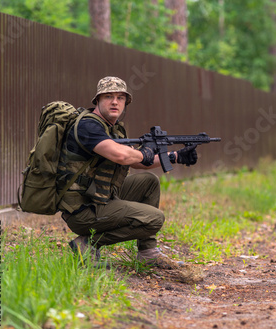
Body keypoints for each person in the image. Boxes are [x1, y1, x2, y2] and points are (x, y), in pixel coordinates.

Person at [57, 76, 198, 269]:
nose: (115, 102)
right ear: (97, 100)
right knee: (154, 218)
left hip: (100, 198)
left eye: (120, 97)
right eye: (108, 96)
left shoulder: (112, 129)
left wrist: (175, 156)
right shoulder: (88, 126)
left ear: (125, 102)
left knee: (148, 182)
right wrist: (144, 152)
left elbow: (137, 162)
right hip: (82, 210)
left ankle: (147, 252)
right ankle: (87, 243)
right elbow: (123, 156)